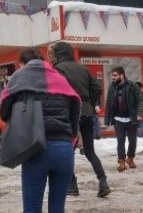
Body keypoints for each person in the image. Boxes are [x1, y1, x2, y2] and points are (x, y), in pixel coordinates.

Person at [0, 48, 81, 213]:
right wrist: (71, 140)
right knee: (58, 212)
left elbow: (5, 113)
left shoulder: (19, 78)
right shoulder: (61, 79)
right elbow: (75, 110)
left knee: (32, 210)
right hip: (64, 150)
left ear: (23, 62)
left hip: (36, 150)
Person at [47, 41, 111, 198]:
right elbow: (97, 88)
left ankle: (72, 186)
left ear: (57, 54)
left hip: (70, 114)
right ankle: (103, 182)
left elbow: (57, 92)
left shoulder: (57, 69)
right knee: (90, 152)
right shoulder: (83, 68)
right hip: (88, 113)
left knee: (67, 151)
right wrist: (88, 101)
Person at [104, 66, 143, 172]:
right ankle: (121, 161)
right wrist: (107, 120)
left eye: (115, 75)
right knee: (120, 141)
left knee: (132, 141)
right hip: (118, 119)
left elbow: (140, 100)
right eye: (112, 75)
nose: (113, 77)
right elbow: (108, 104)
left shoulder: (132, 85)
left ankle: (130, 158)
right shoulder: (112, 88)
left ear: (122, 75)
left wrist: (139, 114)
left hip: (131, 119)